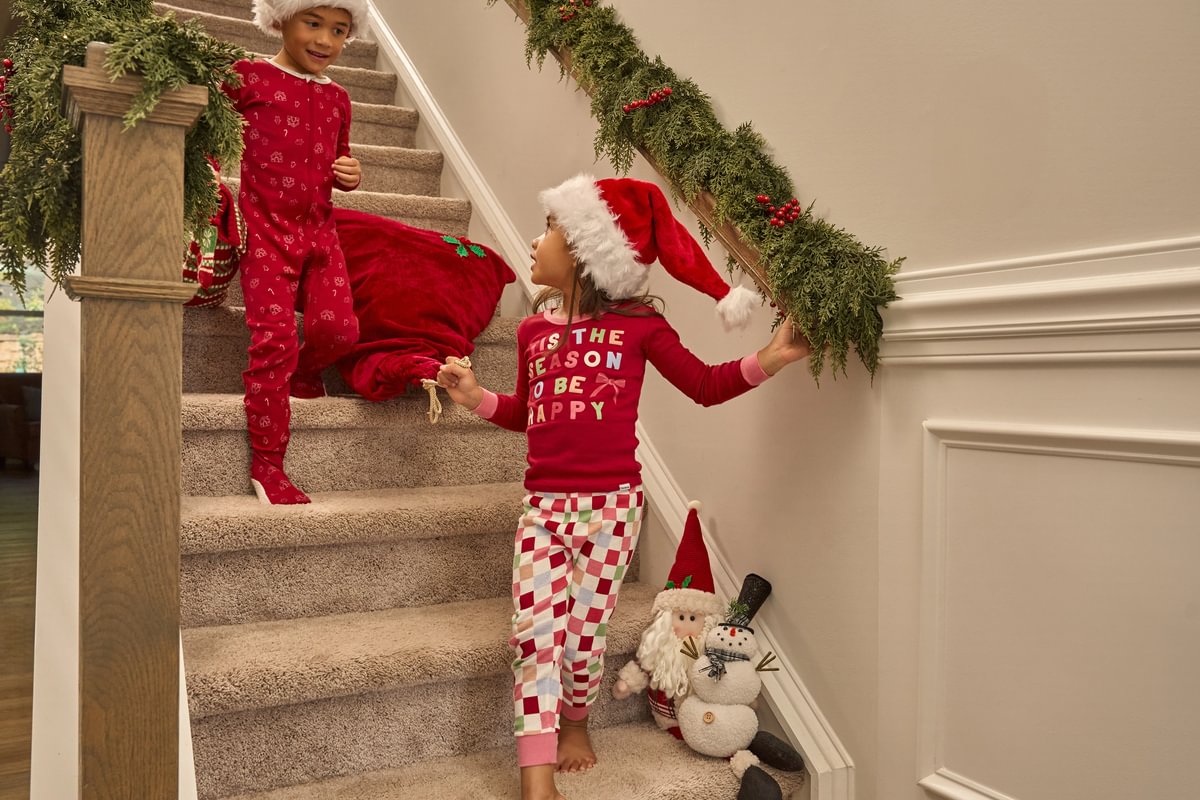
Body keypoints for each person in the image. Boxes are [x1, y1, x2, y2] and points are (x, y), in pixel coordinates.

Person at [436, 174, 812, 800]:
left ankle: (577, 723)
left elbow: (705, 384)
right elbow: (528, 412)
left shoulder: (639, 328)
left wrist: (770, 356)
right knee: (535, 636)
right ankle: (535, 779)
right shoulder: (532, 333)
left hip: (612, 511)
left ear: (588, 249)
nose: (536, 240)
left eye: (553, 228)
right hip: (545, 513)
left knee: (584, 637)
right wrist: (477, 398)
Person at [225, 0, 366, 504]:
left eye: (340, 30)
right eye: (314, 23)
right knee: (275, 340)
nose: (326, 40)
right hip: (264, 232)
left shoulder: (340, 98)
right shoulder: (248, 77)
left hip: (319, 233)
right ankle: (268, 463)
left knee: (339, 330)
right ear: (281, 19)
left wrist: (350, 174)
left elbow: (341, 159)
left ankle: (307, 374)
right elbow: (206, 133)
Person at [611, 500, 725, 739]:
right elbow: (643, 667)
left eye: (693, 618)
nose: (684, 626)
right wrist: (627, 683)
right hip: (666, 718)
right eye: (680, 617)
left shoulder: (708, 654)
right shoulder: (659, 649)